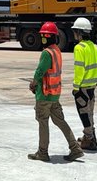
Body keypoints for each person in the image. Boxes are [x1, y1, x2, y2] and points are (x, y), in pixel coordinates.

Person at [28, 22, 84, 162]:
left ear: (46, 37)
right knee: (60, 121)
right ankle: (75, 148)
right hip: (55, 94)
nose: (42, 38)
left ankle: (43, 152)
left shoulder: (47, 53)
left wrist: (33, 83)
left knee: (43, 122)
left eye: (43, 36)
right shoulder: (57, 51)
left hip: (45, 93)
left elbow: (40, 71)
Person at [71, 17, 97, 150]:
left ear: (79, 32)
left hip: (83, 86)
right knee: (90, 112)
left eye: (75, 31)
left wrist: (76, 87)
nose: (74, 34)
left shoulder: (79, 48)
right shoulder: (93, 46)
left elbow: (79, 69)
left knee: (83, 113)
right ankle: (92, 137)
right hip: (92, 85)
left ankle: (88, 139)